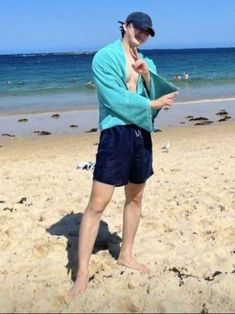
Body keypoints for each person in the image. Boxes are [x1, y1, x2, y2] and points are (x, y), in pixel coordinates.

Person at [69, 11, 178, 296]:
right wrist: (151, 103)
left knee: (136, 196)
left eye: (147, 32)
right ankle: (81, 274)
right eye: (139, 28)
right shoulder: (104, 57)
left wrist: (145, 75)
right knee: (98, 203)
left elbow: (159, 89)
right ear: (125, 26)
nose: (142, 34)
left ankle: (126, 255)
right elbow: (113, 98)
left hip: (141, 133)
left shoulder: (147, 62)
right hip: (115, 133)